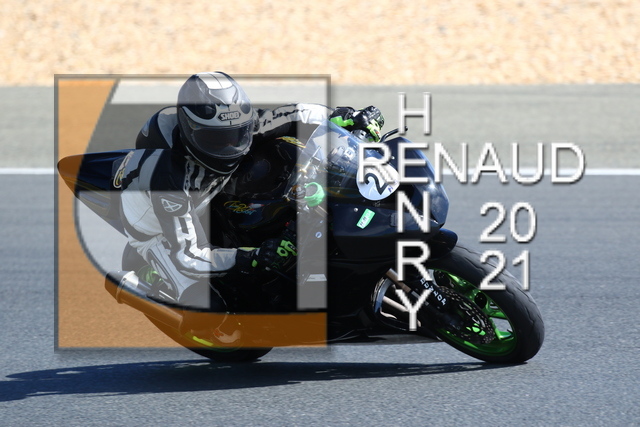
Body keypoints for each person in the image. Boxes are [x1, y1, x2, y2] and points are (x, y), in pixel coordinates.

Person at [118, 71, 385, 311]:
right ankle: (150, 277)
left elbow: (293, 114)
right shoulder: (169, 180)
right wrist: (253, 257)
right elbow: (189, 256)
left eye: (238, 134)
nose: (232, 146)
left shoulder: (234, 121)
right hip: (157, 226)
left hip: (213, 189)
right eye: (217, 139)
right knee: (207, 307)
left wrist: (347, 117)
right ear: (191, 131)